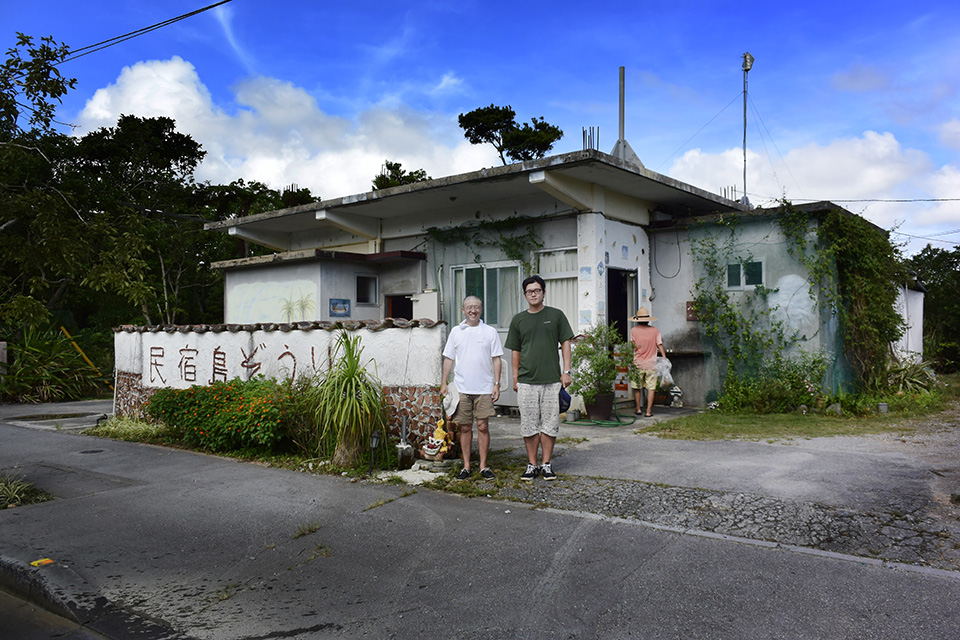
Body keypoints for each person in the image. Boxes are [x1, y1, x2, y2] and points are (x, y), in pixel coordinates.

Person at [504, 275, 574, 481]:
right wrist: (515, 378)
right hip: (526, 382)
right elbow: (515, 351)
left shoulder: (556, 315)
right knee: (528, 425)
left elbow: (566, 343)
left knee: (550, 424)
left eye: (537, 290)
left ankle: (546, 464)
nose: (533, 294)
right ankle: (532, 464)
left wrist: (566, 371)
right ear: (524, 294)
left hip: (552, 380)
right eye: (529, 291)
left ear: (544, 292)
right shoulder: (518, 320)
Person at [440, 296, 503, 480]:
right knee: (465, 428)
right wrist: (444, 382)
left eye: (476, 307)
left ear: (481, 309)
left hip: (484, 388)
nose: (473, 310)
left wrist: (496, 384)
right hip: (461, 388)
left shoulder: (490, 331)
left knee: (483, 426)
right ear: (463, 310)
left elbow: (496, 359)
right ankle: (466, 466)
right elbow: (448, 358)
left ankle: (483, 466)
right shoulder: (456, 332)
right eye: (469, 307)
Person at [629, 307, 667, 417]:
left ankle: (638, 409)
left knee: (637, 387)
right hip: (652, 364)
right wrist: (664, 358)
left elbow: (632, 346)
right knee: (651, 388)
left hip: (638, 363)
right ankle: (649, 411)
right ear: (648, 319)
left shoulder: (634, 331)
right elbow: (660, 345)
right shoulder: (655, 330)